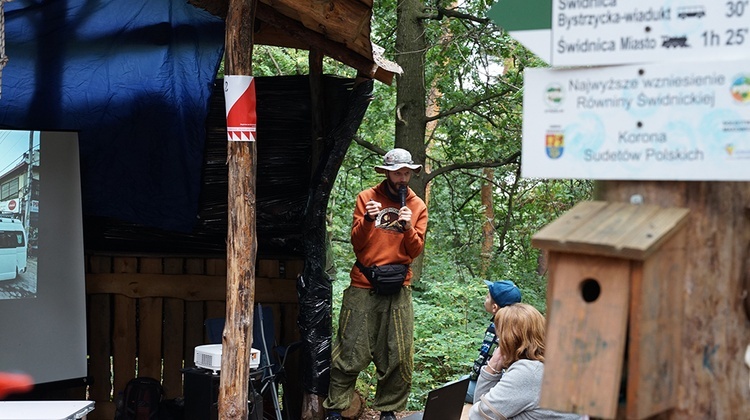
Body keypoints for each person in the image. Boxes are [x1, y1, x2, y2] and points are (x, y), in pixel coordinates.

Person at [324, 148, 428, 420]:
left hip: (399, 287)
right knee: (349, 348)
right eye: (397, 172)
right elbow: (358, 243)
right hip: (363, 284)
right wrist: (369, 219)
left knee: (399, 352)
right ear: (386, 173)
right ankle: (336, 407)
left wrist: (408, 227)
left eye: (407, 172)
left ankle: (388, 410)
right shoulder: (367, 198)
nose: (403, 178)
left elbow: (415, 251)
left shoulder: (417, 206)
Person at [469, 303, 583, 420]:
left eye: (499, 339)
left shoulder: (528, 372)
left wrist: (492, 365)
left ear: (509, 340)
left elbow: (478, 416)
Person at [462, 280, 522, 403]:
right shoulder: (521, 326)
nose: (485, 298)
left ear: (494, 307)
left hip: (496, 389)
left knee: (456, 386)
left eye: (488, 296)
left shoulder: (496, 329)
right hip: (514, 384)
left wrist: (473, 376)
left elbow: (482, 365)